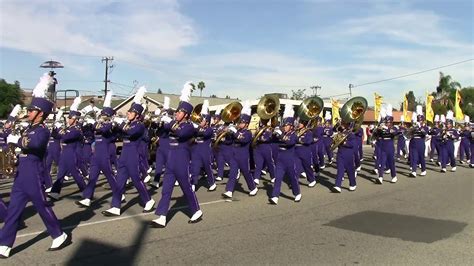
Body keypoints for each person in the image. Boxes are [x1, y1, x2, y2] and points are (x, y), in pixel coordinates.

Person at [0, 73, 70, 258]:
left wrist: (18, 141)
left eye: (31, 110)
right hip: (21, 174)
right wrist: (11, 147)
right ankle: (4, 244)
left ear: (40, 113)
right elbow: (19, 144)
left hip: (33, 173)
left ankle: (59, 234)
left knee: (42, 206)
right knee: (13, 210)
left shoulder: (42, 130)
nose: (28, 112)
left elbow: (36, 145)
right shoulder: (28, 128)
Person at [151, 82, 202, 228]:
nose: (176, 114)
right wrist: (160, 119)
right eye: (177, 112)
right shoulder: (176, 123)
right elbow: (162, 127)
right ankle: (161, 216)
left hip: (181, 159)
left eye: (179, 112)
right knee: (166, 189)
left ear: (185, 115)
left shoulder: (189, 126)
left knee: (186, 187)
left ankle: (196, 211)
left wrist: (169, 122)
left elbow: (180, 132)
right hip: (171, 159)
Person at [102, 86, 155, 216]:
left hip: (133, 154)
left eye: (130, 112)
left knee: (136, 180)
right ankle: (115, 206)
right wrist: (111, 124)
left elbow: (130, 132)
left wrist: (119, 123)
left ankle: (148, 200)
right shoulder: (128, 123)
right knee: (119, 180)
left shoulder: (139, 125)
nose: (128, 114)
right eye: (129, 112)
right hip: (124, 153)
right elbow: (118, 133)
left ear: (137, 115)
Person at [48, 97, 87, 200]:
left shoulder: (76, 130)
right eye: (68, 117)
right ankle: (55, 192)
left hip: (71, 153)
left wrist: (60, 128)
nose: (68, 119)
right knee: (60, 174)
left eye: (70, 118)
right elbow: (56, 136)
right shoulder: (68, 128)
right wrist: (55, 127)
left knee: (75, 173)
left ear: (75, 119)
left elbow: (66, 137)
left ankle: (86, 192)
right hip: (64, 153)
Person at [222, 101, 258, 199]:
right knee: (233, 172)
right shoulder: (237, 131)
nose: (239, 124)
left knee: (246, 172)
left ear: (246, 124)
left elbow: (243, 139)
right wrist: (228, 133)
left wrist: (234, 132)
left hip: (243, 155)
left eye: (241, 122)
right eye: (239, 122)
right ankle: (229, 190)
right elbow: (230, 141)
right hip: (234, 155)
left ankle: (253, 188)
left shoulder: (248, 133)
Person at [269, 104, 301, 204]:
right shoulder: (282, 133)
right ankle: (275, 196)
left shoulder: (293, 135)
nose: (284, 127)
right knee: (278, 178)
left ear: (291, 126)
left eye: (286, 125)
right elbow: (272, 140)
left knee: (292, 178)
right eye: (284, 125)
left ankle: (297, 193)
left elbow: (289, 142)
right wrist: (274, 134)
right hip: (280, 159)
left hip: (289, 160)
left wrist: (281, 135)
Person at [190, 100, 217, 191]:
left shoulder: (209, 129)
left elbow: (204, 134)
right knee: (195, 167)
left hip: (205, 151)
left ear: (207, 121)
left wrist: (197, 127)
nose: (200, 120)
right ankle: (193, 183)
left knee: (207, 167)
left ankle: (212, 183)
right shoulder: (197, 128)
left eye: (202, 120)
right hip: (197, 150)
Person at [332, 121, 357, 193]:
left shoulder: (351, 134)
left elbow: (352, 144)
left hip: (348, 153)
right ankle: (337, 185)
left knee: (350, 171)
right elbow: (333, 132)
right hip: (340, 153)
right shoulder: (339, 132)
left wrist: (344, 142)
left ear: (347, 125)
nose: (342, 125)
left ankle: (353, 184)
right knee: (340, 170)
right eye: (341, 123)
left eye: (343, 123)